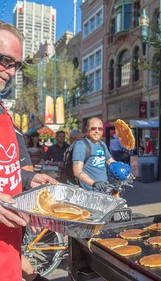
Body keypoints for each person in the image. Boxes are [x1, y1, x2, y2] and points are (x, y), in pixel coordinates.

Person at [0, 21, 56, 281]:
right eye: (4, 60)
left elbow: (6, 171)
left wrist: (27, 179)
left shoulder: (4, 113)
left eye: (15, 65)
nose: (10, 71)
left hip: (9, 256)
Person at [72, 117, 116, 191]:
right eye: (93, 128)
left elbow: (110, 161)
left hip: (103, 190)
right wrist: (94, 183)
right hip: (89, 192)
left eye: (100, 129)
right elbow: (77, 171)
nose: (97, 131)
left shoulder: (102, 144)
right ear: (87, 129)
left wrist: (125, 172)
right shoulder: (81, 145)